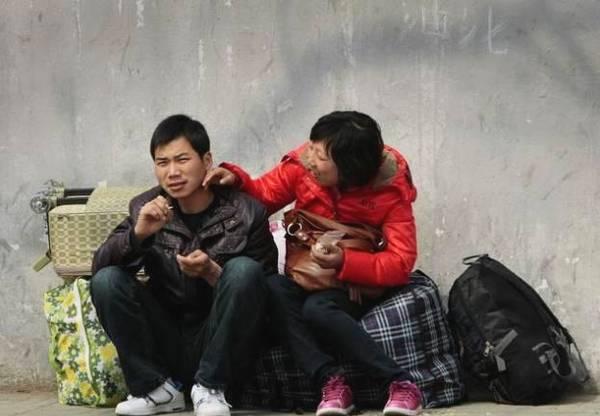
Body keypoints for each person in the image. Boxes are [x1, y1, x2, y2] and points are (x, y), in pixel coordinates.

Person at [203, 110, 423, 416]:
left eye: (320, 156)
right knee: (271, 288)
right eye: (312, 147)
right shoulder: (302, 167)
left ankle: (400, 382)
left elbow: (400, 262)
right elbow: (264, 195)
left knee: (317, 310)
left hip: (353, 285)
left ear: (349, 168)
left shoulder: (391, 191)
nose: (309, 159)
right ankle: (331, 383)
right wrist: (236, 179)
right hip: (305, 274)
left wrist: (346, 261)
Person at [90, 114, 278, 416]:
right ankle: (157, 390)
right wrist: (139, 235)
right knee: (107, 280)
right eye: (162, 163)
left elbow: (266, 292)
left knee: (244, 269)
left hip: (222, 344)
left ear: (207, 160)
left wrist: (213, 273)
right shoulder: (145, 207)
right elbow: (99, 268)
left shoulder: (246, 212)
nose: (172, 172)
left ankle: (211, 386)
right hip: (167, 339)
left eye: (182, 160)